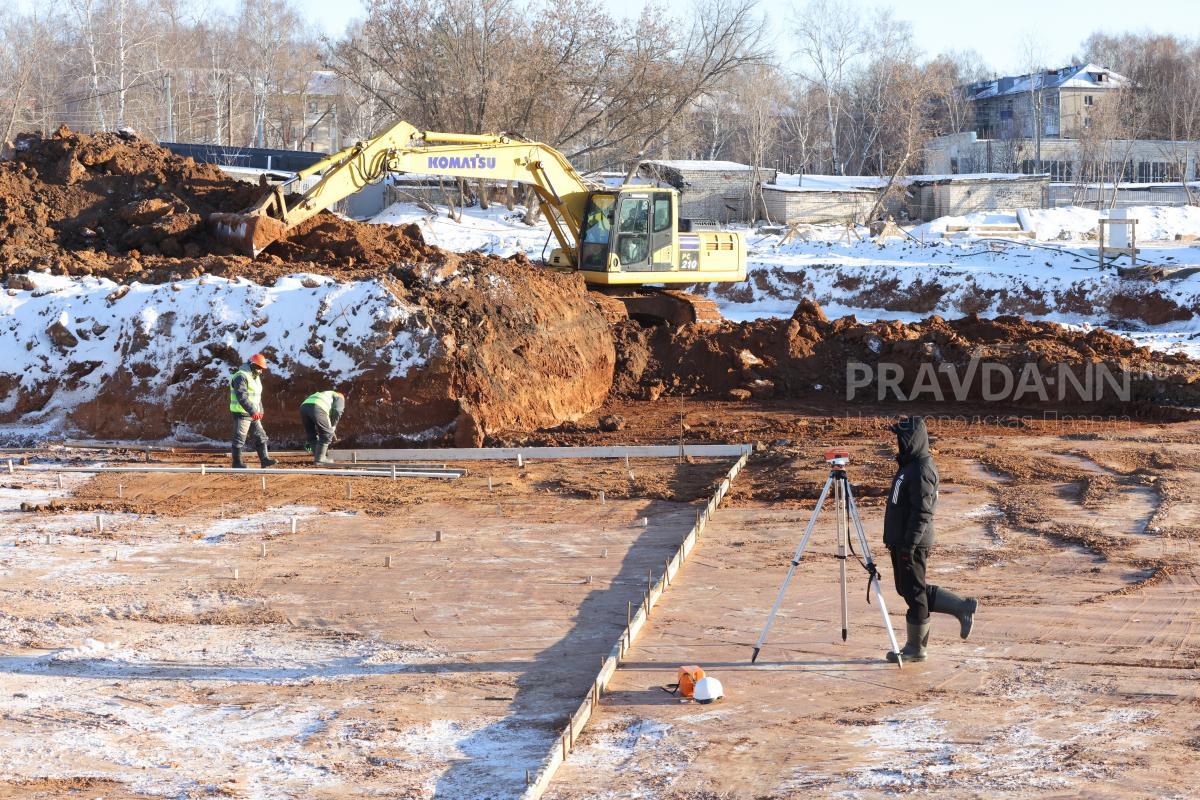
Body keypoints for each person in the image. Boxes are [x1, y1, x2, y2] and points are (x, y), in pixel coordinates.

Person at [882, 415, 978, 663]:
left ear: (912, 439)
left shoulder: (922, 468)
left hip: (912, 541)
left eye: (901, 438)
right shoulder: (910, 465)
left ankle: (916, 648)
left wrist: (909, 544)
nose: (898, 443)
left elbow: (923, 510)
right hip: (902, 539)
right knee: (908, 589)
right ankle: (961, 607)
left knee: (914, 594)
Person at [228, 353, 279, 469]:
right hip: (242, 413)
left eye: (262, 369)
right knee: (239, 438)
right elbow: (242, 397)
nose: (261, 371)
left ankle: (265, 460)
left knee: (261, 436)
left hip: (253, 413)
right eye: (259, 368)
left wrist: (260, 410)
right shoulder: (241, 376)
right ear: (252, 365)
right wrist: (252, 411)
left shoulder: (255, 377)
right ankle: (237, 463)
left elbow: (257, 396)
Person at [300, 390, 345, 465]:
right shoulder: (340, 396)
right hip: (317, 406)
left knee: (311, 433)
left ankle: (318, 455)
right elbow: (337, 411)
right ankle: (320, 459)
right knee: (327, 434)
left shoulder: (325, 395)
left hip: (303, 407)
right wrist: (333, 427)